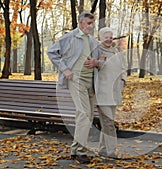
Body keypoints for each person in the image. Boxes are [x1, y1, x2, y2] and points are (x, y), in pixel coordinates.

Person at [47, 12, 104, 164]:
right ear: (80, 23)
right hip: (76, 79)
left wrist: (96, 62)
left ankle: (74, 149)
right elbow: (51, 52)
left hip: (91, 81)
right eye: (88, 24)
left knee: (87, 116)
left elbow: (102, 59)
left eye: (93, 24)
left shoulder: (93, 41)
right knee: (84, 114)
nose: (91, 27)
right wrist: (65, 70)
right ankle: (81, 151)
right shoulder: (69, 37)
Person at [95, 27, 127, 158]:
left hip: (114, 92)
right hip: (102, 93)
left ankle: (103, 149)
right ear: (100, 38)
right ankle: (112, 150)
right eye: (105, 37)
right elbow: (95, 68)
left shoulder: (116, 52)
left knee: (107, 122)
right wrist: (100, 61)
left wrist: (123, 81)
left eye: (110, 37)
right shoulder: (96, 52)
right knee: (109, 123)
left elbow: (123, 68)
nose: (108, 40)